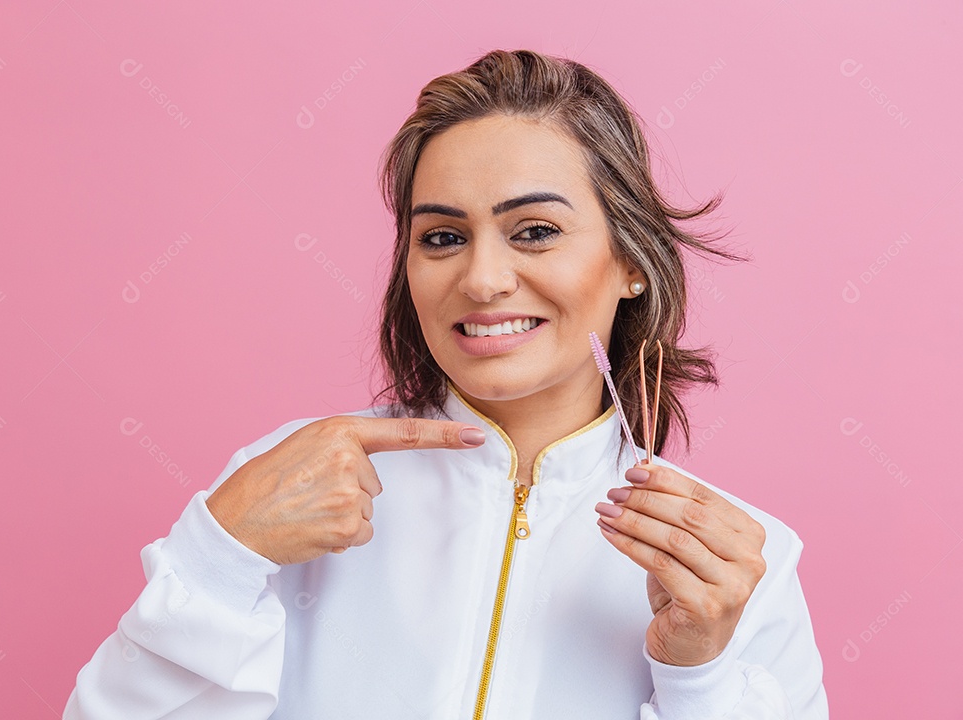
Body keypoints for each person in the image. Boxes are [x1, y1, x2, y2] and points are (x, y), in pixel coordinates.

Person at [63, 49, 829, 719]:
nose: (484, 279)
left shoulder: (739, 564)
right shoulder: (276, 489)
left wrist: (697, 678)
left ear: (631, 261)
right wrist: (218, 561)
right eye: (442, 238)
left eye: (535, 231)